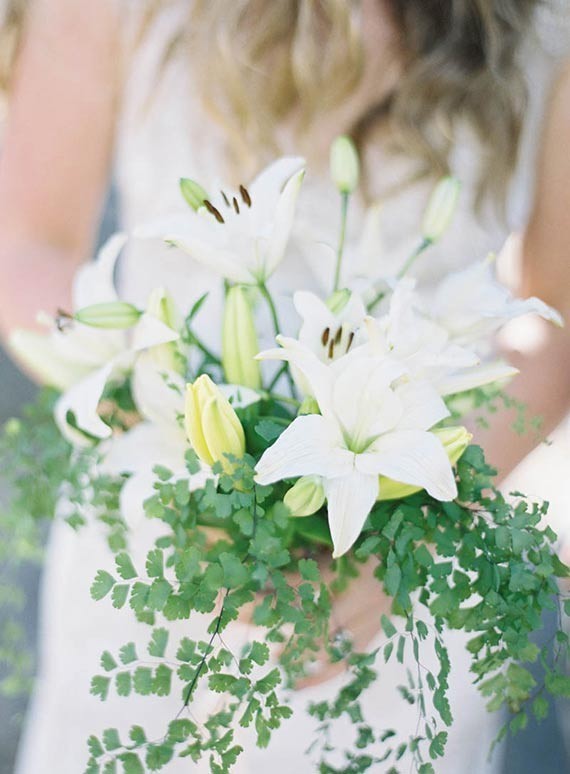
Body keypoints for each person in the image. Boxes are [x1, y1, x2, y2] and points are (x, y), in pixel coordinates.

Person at [0, 1, 569, 771]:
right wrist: (179, 429)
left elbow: (554, 322)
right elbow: (27, 247)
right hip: (170, 519)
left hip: (405, 567)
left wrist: (413, 528)